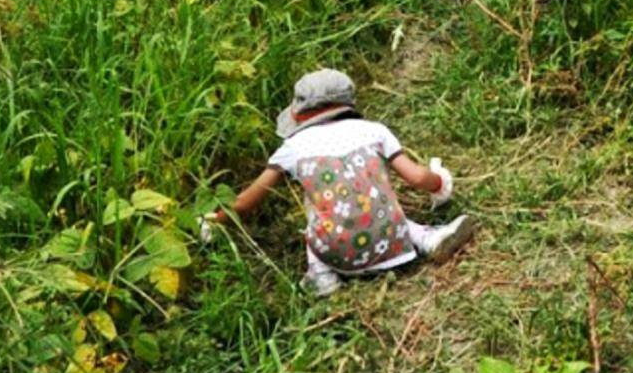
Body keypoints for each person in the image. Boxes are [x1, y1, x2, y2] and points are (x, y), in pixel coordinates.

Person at [203, 68, 474, 297]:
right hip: (391, 241)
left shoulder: (292, 148)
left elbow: (248, 201)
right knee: (376, 202)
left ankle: (321, 275)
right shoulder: (374, 131)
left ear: (300, 112)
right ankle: (428, 239)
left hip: (338, 252)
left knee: (319, 206)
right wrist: (440, 182)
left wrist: (215, 219)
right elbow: (416, 177)